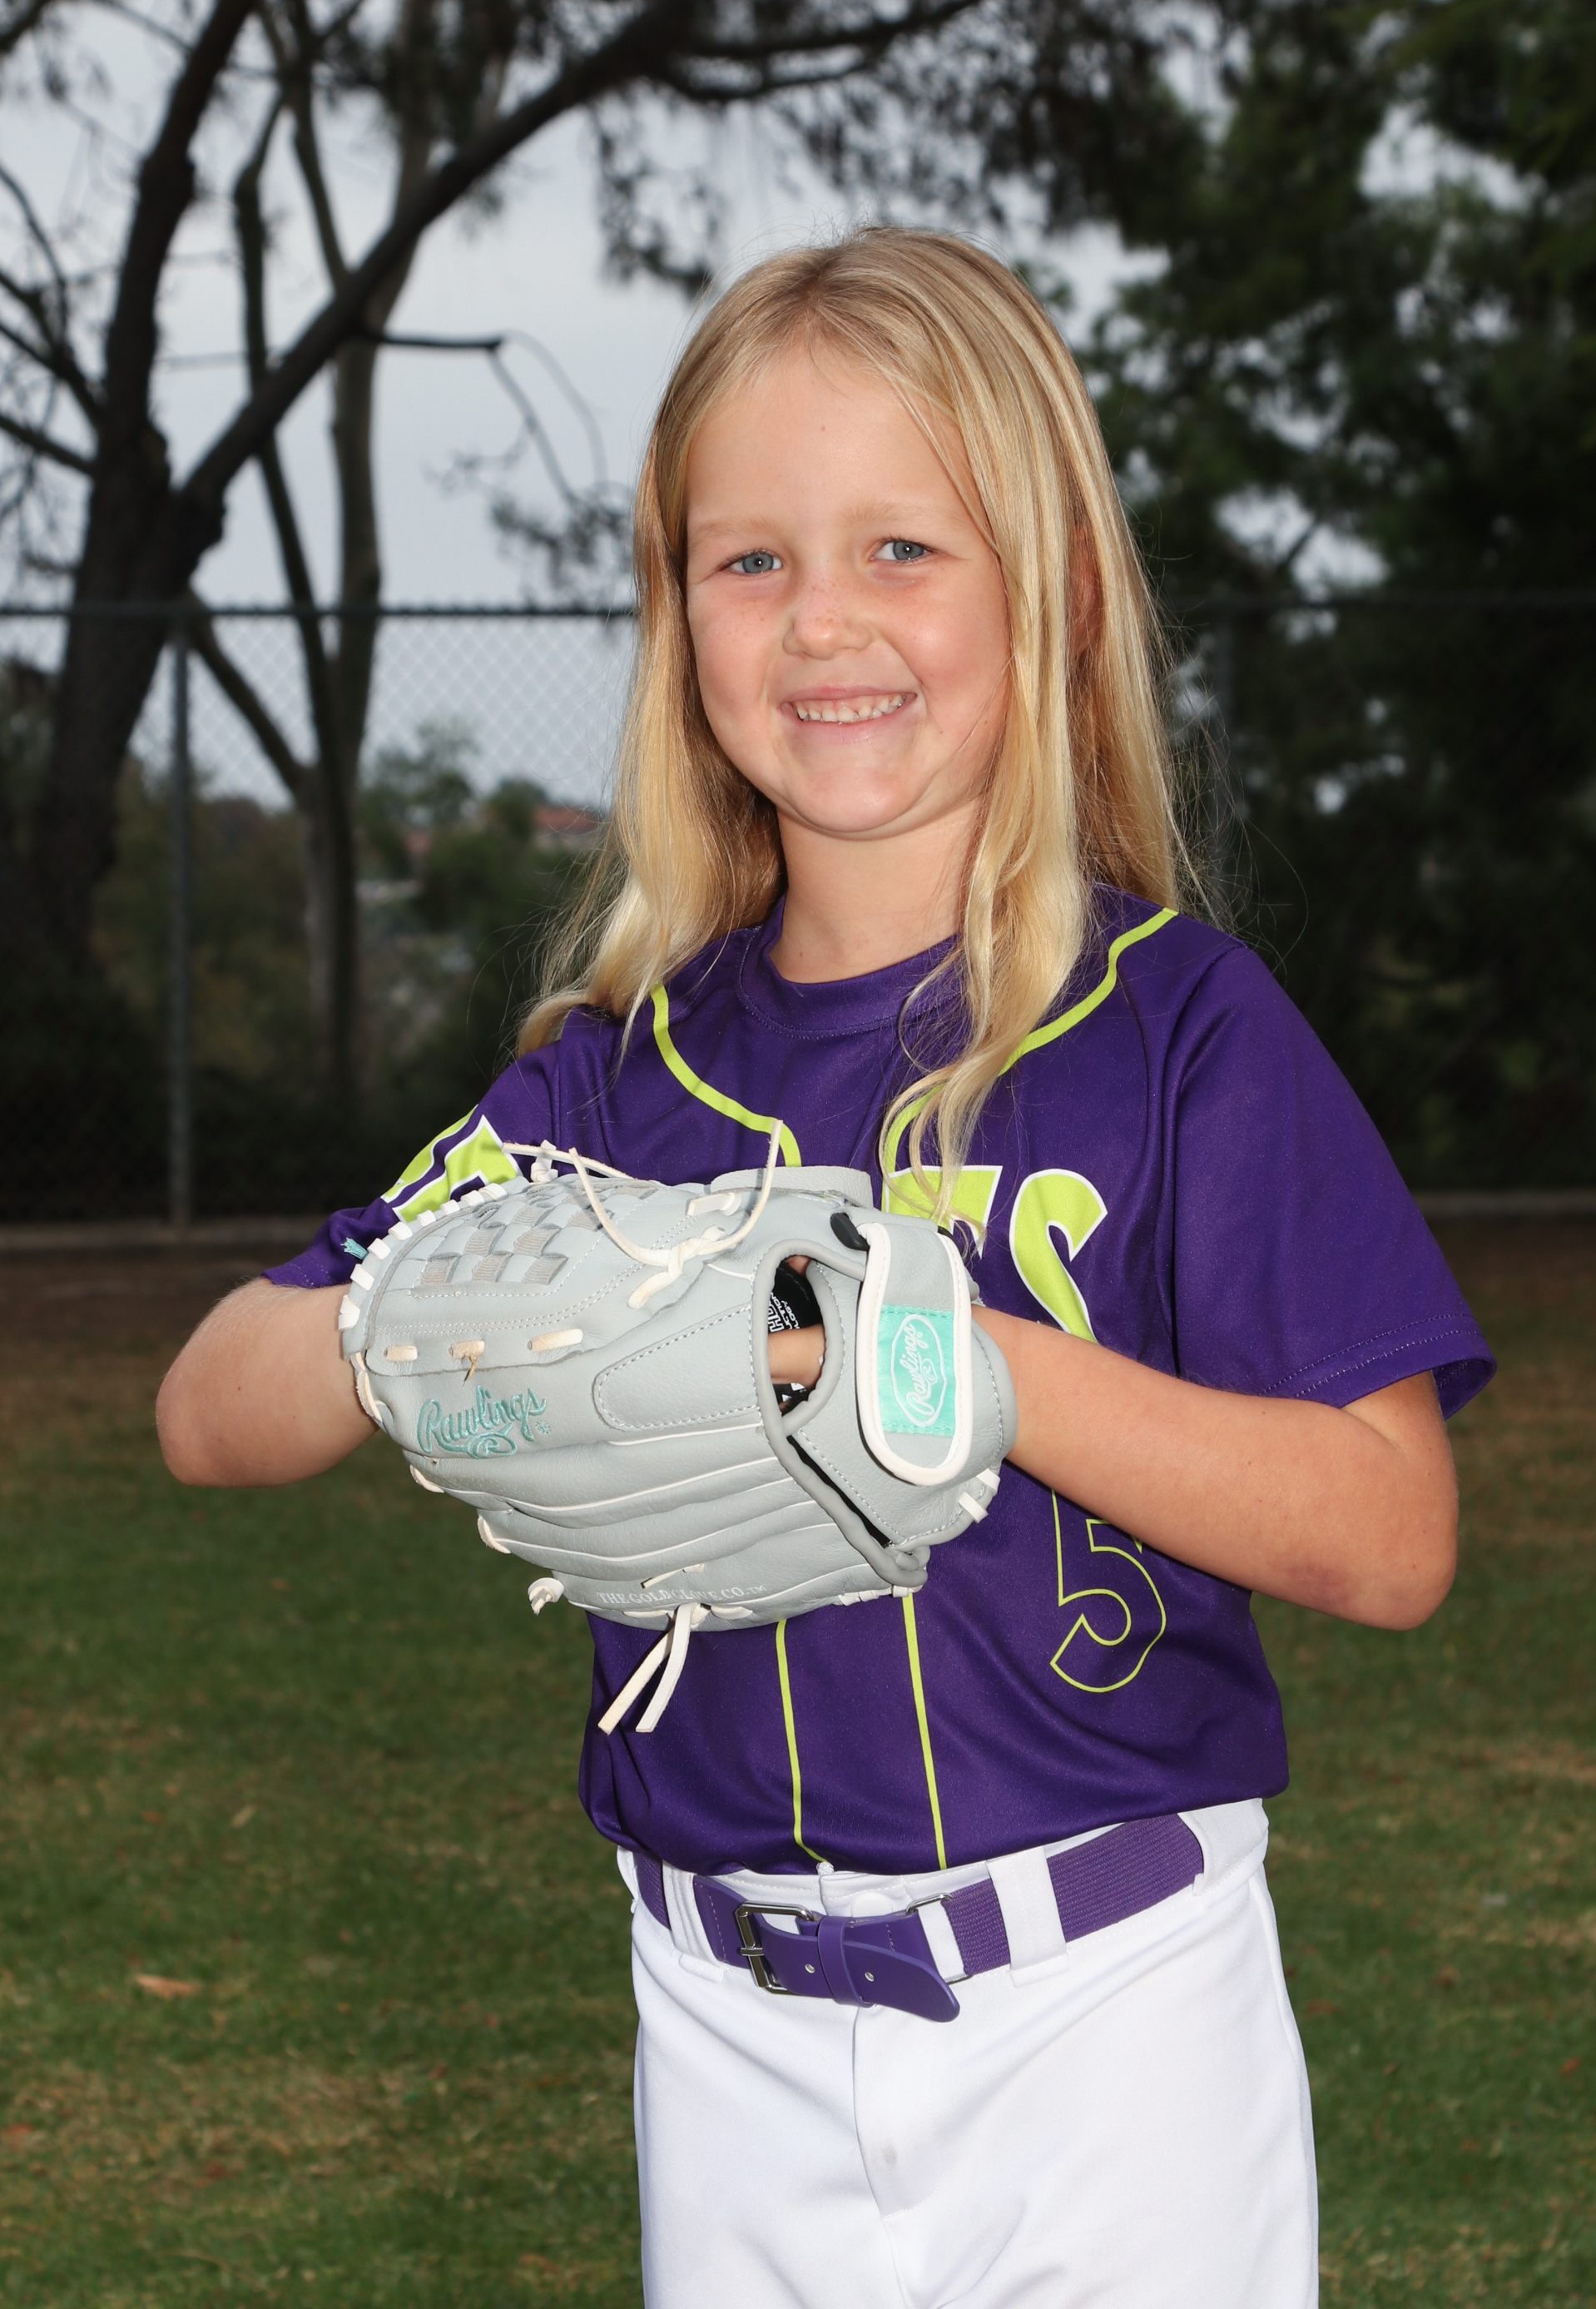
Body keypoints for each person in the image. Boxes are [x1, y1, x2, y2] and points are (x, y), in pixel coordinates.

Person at [158, 228, 1494, 2309]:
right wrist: (412, 1320)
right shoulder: (615, 1082)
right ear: (676, 612)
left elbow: (1393, 1533)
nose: (822, 618)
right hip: (723, 2030)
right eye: (750, 559)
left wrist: (970, 1363)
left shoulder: (1176, 1031)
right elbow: (208, 1410)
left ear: (1053, 593)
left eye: (903, 546)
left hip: (1108, 2011)